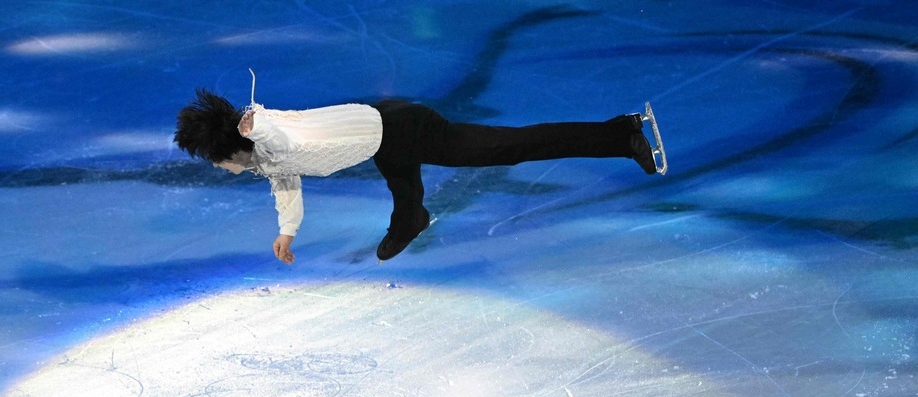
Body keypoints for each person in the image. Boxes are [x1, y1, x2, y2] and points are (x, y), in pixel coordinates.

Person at [173, 87, 665, 264]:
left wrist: (258, 125)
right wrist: (287, 229)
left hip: (407, 129)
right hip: (383, 131)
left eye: (215, 158)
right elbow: (284, 175)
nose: (217, 167)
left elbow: (283, 145)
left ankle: (620, 134)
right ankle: (411, 219)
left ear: (233, 146)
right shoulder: (266, 157)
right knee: (402, 187)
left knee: (512, 146)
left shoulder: (270, 138)